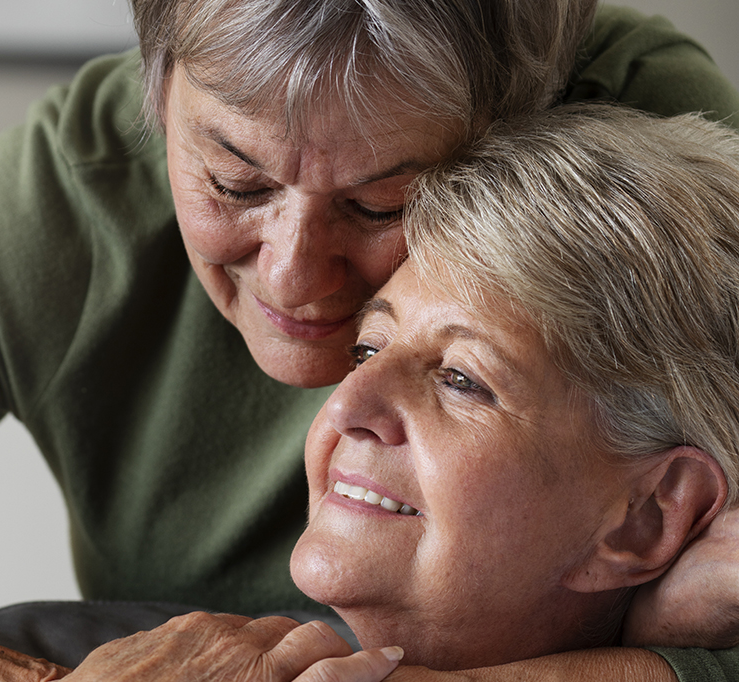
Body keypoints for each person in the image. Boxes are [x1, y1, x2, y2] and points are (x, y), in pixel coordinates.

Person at [0, 1, 738, 681]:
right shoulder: (69, 202)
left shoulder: (646, 171)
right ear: (156, 101)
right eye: (234, 182)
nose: (296, 279)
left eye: (385, 202)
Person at [62, 104, 739, 681]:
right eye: (367, 350)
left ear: (645, 517)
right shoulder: (125, 658)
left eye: (461, 380)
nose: (345, 406)